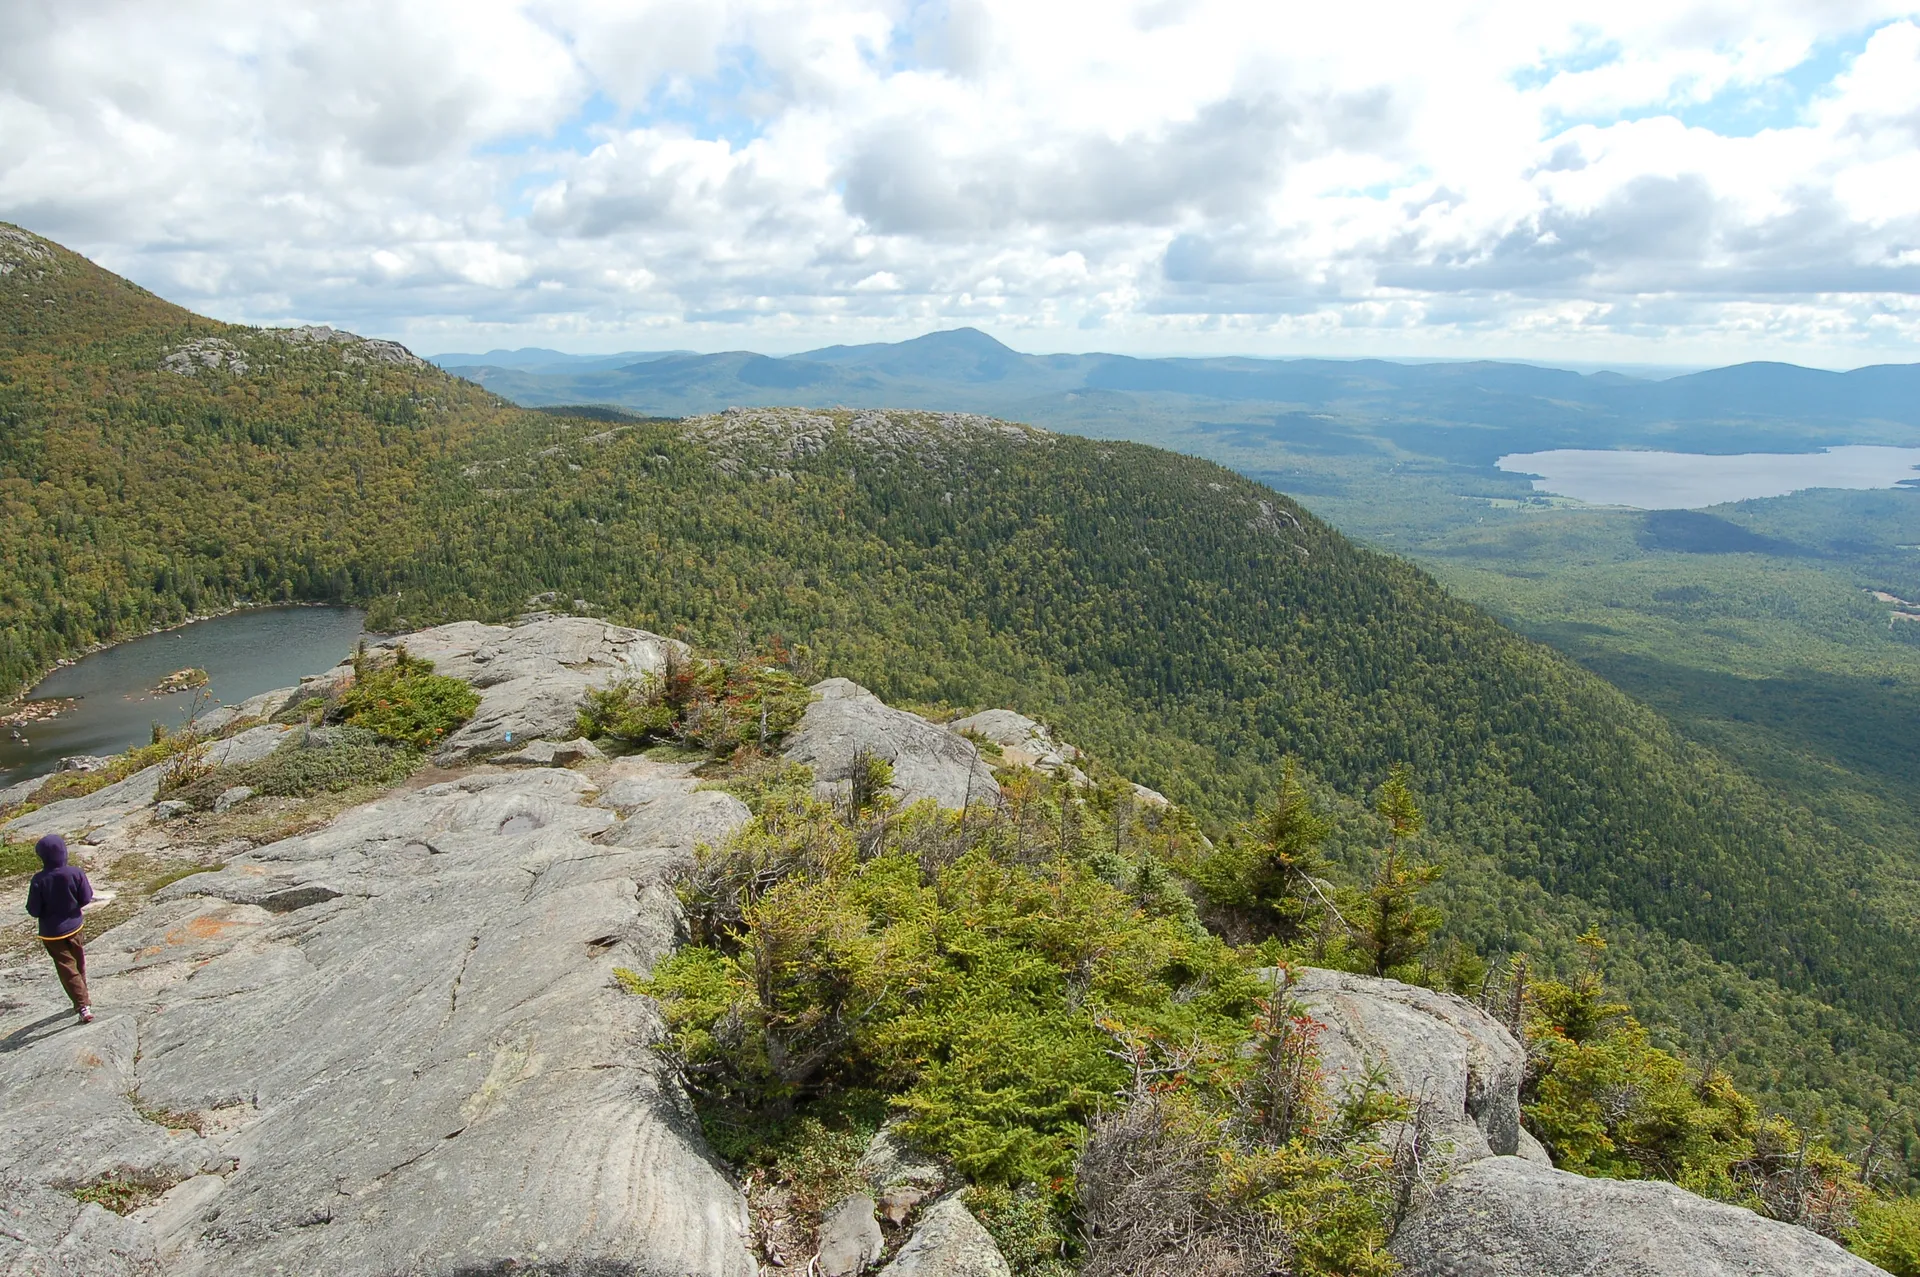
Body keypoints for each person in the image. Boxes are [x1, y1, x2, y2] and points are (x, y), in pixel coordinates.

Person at [25, 833, 93, 1023]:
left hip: (52, 934)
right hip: (75, 927)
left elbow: (34, 910)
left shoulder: (39, 880)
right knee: (79, 965)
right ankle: (83, 998)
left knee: (67, 969)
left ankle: (82, 1005)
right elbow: (86, 898)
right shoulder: (75, 872)